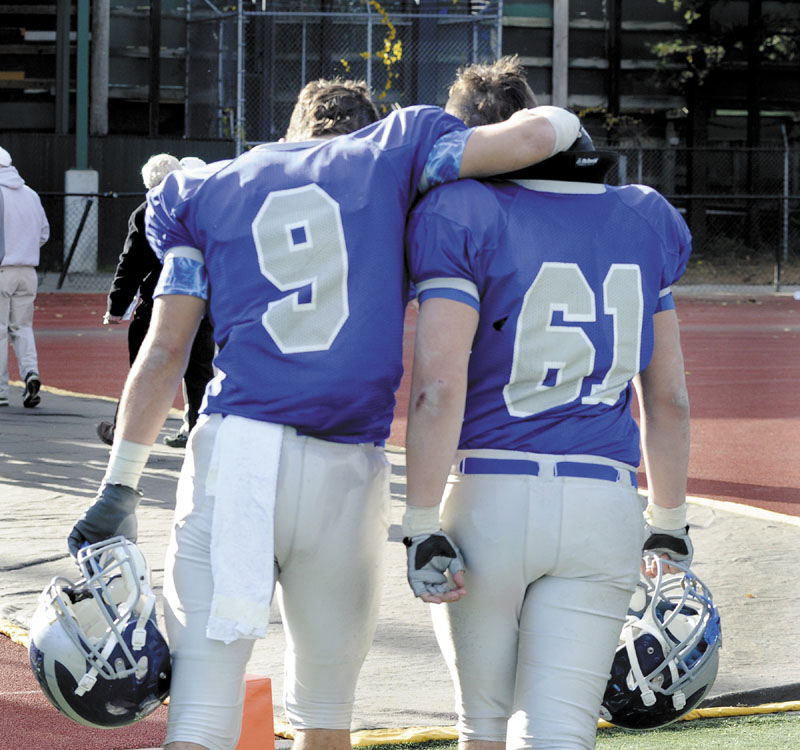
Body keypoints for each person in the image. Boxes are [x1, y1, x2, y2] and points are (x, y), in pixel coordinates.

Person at [66, 77, 581, 750]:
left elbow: (164, 352)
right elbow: (541, 135)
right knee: (323, 710)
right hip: (346, 465)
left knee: (200, 712)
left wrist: (119, 487)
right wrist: (573, 125)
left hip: (237, 457)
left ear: (289, 133)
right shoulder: (396, 151)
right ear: (369, 128)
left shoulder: (203, 189)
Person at [402, 56, 694, 749]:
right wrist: (672, 520)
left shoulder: (461, 211)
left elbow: (438, 389)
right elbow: (670, 398)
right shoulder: (644, 217)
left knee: (485, 725)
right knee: (560, 729)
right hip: (604, 499)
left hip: (490, 495)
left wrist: (417, 523)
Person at [96, 153, 215, 448]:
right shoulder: (202, 210)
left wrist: (116, 306)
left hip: (161, 303)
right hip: (202, 302)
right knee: (199, 373)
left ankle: (123, 434)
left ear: (149, 183)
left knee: (144, 369)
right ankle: (202, 435)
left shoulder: (147, 211)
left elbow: (131, 263)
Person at [0, 146, 49, 409]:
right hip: (27, 271)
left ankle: (0, 391)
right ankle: (31, 372)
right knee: (23, 328)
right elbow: (43, 234)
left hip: (2, 270)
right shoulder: (30, 194)